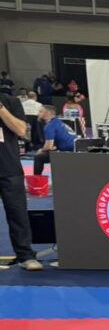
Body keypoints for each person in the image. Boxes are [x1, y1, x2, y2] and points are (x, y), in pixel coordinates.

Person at [0, 90, 42, 270]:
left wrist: (1, 109)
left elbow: (21, 130)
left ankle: (25, 255)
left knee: (18, 214)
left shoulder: (11, 102)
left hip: (9, 167)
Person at [33, 105, 76, 175]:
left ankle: (37, 179)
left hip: (69, 153)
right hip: (75, 149)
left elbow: (48, 146)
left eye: (40, 112)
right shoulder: (59, 122)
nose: (38, 114)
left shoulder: (49, 126)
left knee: (38, 157)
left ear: (47, 114)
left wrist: (41, 150)